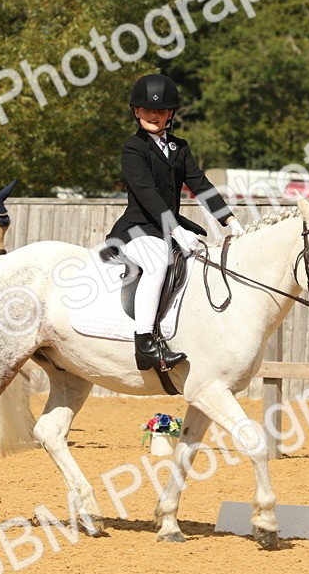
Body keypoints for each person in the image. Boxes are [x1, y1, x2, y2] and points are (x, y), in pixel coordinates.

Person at [105, 73, 245, 371]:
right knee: (157, 263)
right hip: (138, 230)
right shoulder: (134, 148)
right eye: (147, 110)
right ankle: (144, 343)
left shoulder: (180, 147)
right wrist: (177, 229)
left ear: (170, 114)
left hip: (169, 229)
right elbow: (148, 195)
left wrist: (230, 221)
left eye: (160, 111)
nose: (153, 116)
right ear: (136, 111)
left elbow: (201, 185)